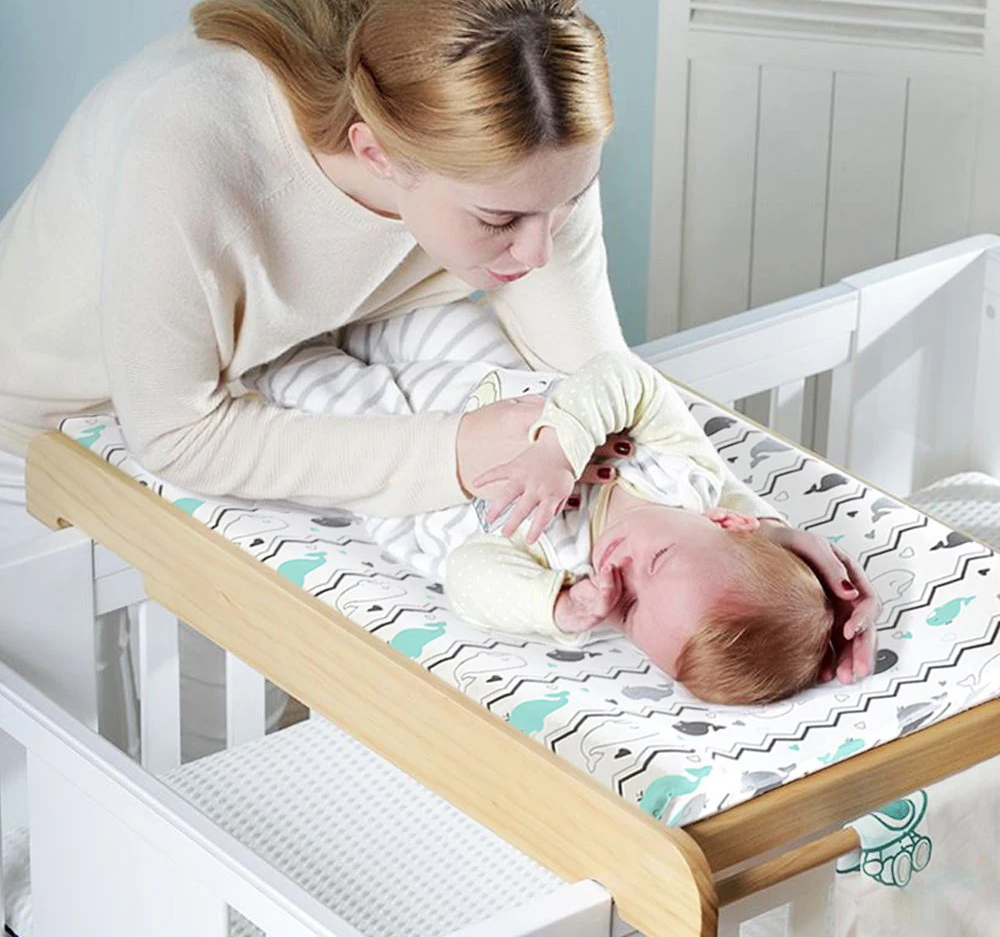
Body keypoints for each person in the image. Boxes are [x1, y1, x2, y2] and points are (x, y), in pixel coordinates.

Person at [0, 0, 876, 684]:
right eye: (501, 220)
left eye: (567, 203)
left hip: (277, 370)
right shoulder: (194, 151)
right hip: (47, 426)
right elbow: (177, 434)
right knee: (67, 715)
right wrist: (457, 452)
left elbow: (595, 371)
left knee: (236, 687)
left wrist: (761, 545)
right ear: (377, 153)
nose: (538, 251)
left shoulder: (525, 145)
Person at [261, 299, 836, 703]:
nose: (621, 572)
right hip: (480, 381)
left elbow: (469, 574)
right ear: (728, 521)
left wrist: (556, 606)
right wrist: (559, 450)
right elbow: (626, 378)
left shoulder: (567, 564)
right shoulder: (685, 474)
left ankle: (272, 346)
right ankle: (342, 313)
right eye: (657, 561)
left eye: (631, 610)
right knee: (446, 318)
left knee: (315, 387)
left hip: (416, 474)